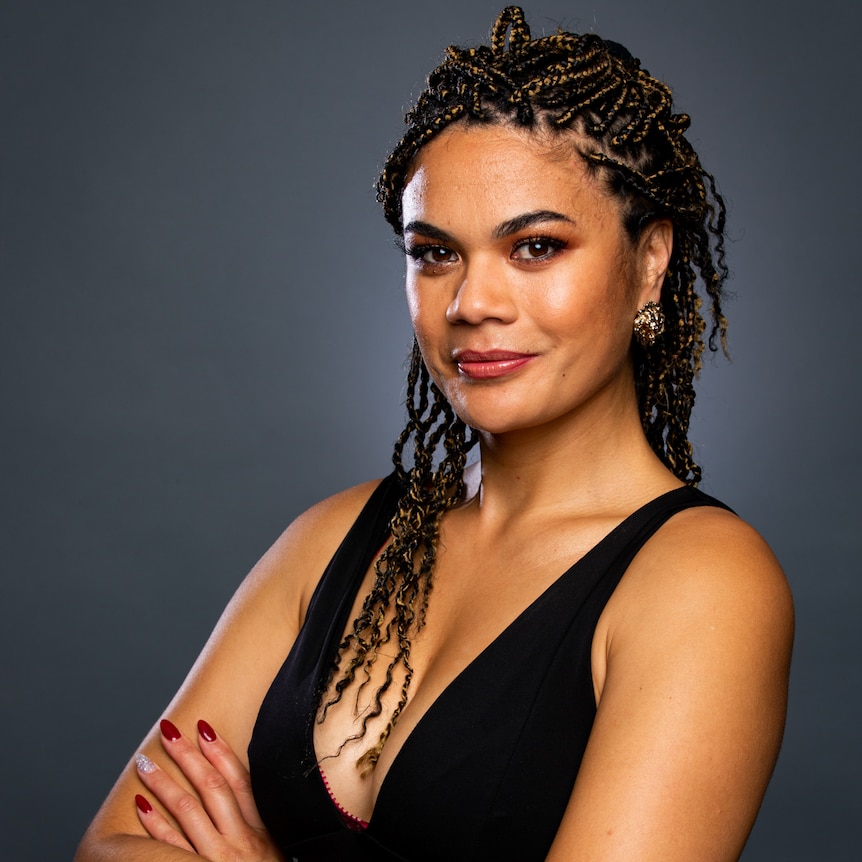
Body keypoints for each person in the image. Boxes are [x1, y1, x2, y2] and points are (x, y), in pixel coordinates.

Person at [75, 6, 793, 861]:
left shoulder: (705, 583)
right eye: (434, 252)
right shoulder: (333, 539)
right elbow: (112, 844)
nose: (471, 303)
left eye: (534, 247)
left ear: (650, 263)